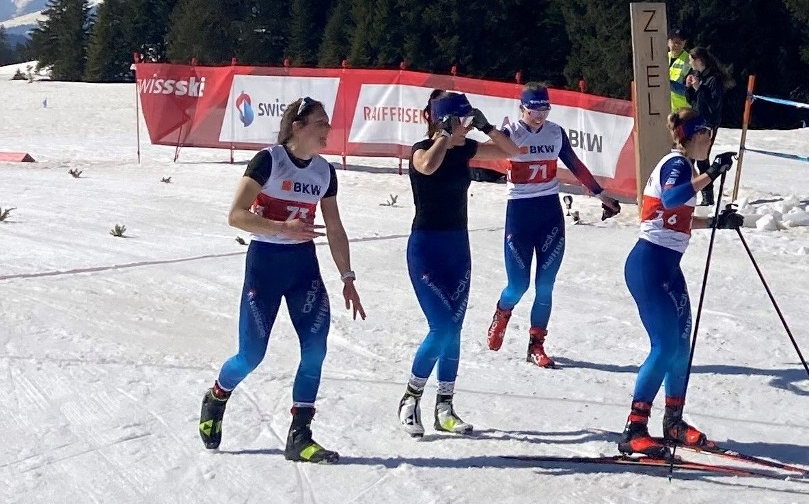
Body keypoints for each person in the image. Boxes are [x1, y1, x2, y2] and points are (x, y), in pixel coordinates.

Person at [199, 96, 367, 464]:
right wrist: (282, 228)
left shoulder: (325, 171)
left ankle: (300, 435)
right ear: (298, 126)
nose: (328, 129)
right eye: (321, 123)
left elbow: (335, 228)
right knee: (251, 356)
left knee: (316, 349)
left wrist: (348, 277)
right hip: (265, 265)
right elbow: (236, 215)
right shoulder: (268, 160)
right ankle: (217, 395)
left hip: (303, 268)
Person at [618, 108, 743, 457]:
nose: (710, 141)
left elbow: (676, 218)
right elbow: (672, 198)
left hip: (667, 269)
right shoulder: (676, 165)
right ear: (693, 136)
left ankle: (673, 421)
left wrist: (716, 221)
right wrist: (712, 174)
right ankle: (634, 428)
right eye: (706, 135)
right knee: (664, 346)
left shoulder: (685, 167)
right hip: (649, 267)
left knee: (681, 346)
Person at [397, 89, 520, 437]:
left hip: (458, 249)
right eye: (462, 120)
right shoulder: (422, 150)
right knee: (442, 328)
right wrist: (442, 136)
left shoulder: (466, 148)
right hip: (426, 248)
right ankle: (410, 398)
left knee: (454, 330)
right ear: (444, 122)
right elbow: (428, 166)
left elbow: (513, 152)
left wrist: (487, 126)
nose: (466, 127)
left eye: (468, 120)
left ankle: (445, 407)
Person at [486, 83, 622, 368]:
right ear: (522, 108)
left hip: (549, 212)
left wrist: (600, 193)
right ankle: (502, 313)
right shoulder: (511, 133)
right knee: (517, 285)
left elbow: (574, 164)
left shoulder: (555, 132)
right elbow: (479, 153)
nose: (540, 116)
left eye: (545, 109)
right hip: (520, 214)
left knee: (545, 285)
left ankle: (536, 344)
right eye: (534, 110)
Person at [685, 46, 734, 207]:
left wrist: (700, 88)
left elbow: (714, 103)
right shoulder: (697, 75)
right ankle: (693, 194)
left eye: (692, 59)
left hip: (708, 124)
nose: (690, 62)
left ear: (699, 60)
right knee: (690, 158)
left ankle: (707, 196)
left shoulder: (715, 79)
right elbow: (692, 101)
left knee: (701, 159)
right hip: (696, 121)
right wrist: (689, 88)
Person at [668, 28, 692, 112]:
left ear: (684, 43)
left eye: (680, 42)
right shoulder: (661, 58)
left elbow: (690, 90)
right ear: (668, 42)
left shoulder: (689, 61)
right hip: (663, 109)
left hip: (682, 111)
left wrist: (669, 85)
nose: (677, 45)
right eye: (674, 42)